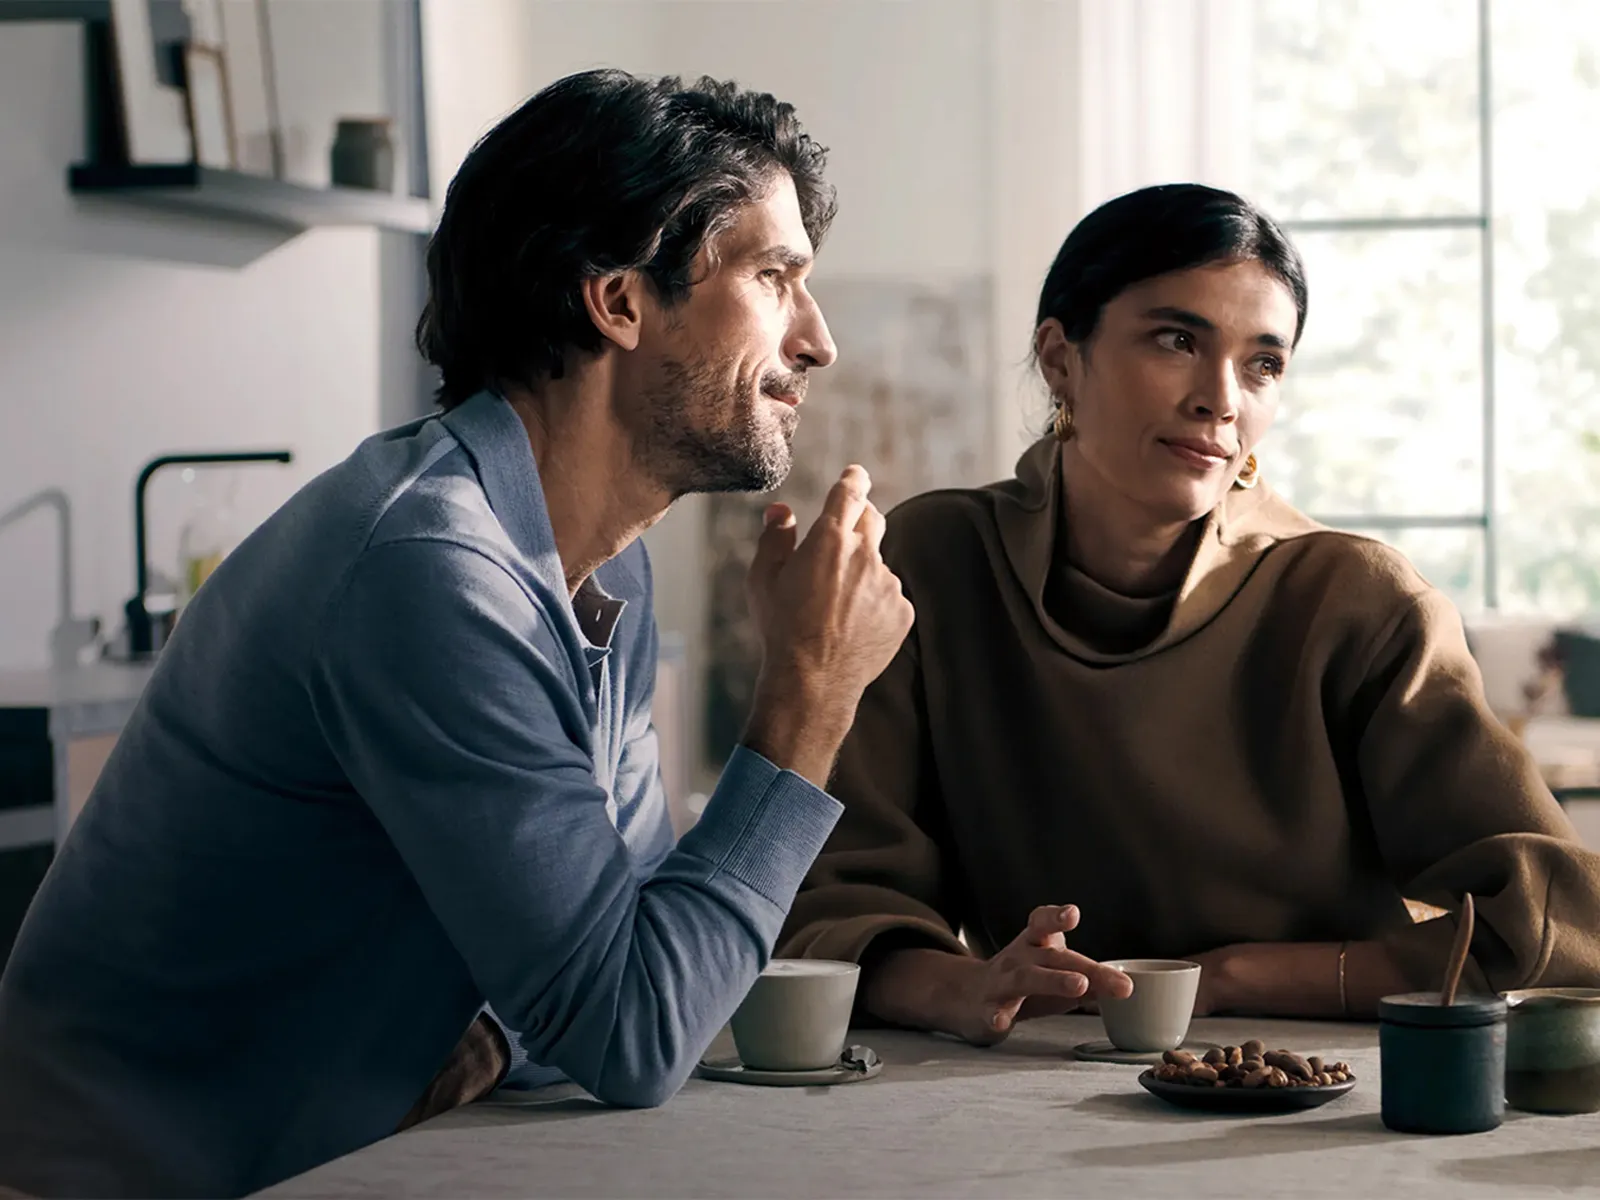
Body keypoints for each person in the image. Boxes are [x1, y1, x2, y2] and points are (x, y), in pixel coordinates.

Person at [0, 70, 913, 1199]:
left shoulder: (593, 563)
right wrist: (806, 697)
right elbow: (636, 1033)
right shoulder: (432, 570)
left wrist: (515, 1026)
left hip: (338, 1156)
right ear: (619, 301)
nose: (816, 340)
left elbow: (621, 964)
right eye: (775, 278)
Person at [780, 182, 1600, 1047]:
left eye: (1263, 364)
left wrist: (1229, 978)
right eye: (1178, 340)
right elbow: (835, 899)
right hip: (1012, 1072)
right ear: (1060, 357)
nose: (1222, 399)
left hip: (1310, 1080)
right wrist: (963, 989)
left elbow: (1565, 921)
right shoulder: (933, 561)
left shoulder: (1357, 598)